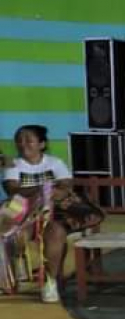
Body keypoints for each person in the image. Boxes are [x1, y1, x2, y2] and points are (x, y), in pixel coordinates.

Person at [3, 124, 104, 302]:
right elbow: (13, 190)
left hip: (54, 212)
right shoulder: (13, 165)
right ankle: (15, 272)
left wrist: (47, 192)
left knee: (55, 233)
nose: (22, 143)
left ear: (41, 144)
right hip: (24, 212)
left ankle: (51, 282)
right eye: (19, 140)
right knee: (14, 234)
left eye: (28, 140)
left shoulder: (54, 162)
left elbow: (66, 187)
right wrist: (45, 188)